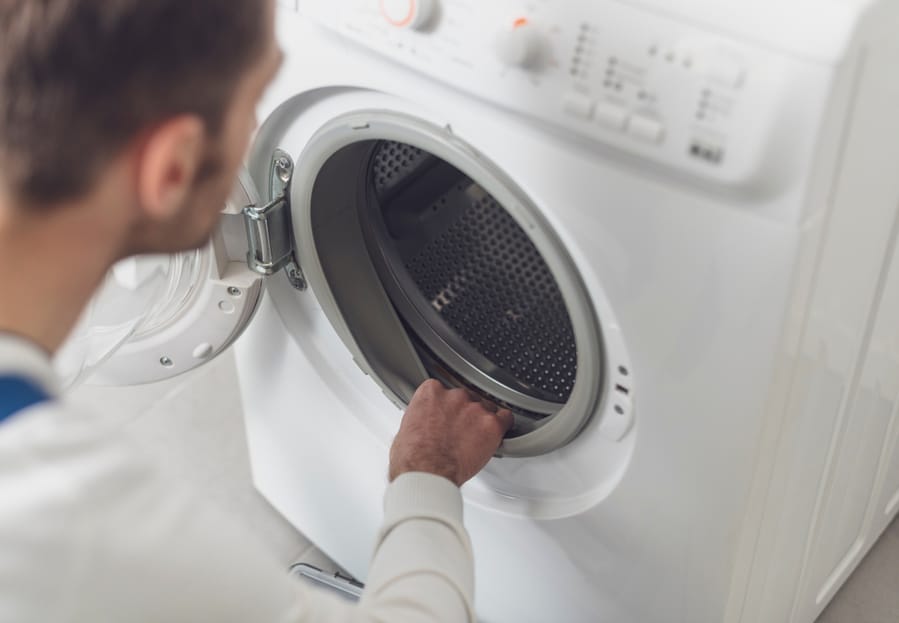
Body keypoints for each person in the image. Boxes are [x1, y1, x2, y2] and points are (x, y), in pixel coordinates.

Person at [0, 1, 513, 621]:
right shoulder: (66, 516)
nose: (258, 128)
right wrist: (429, 473)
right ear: (173, 168)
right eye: (257, 99)